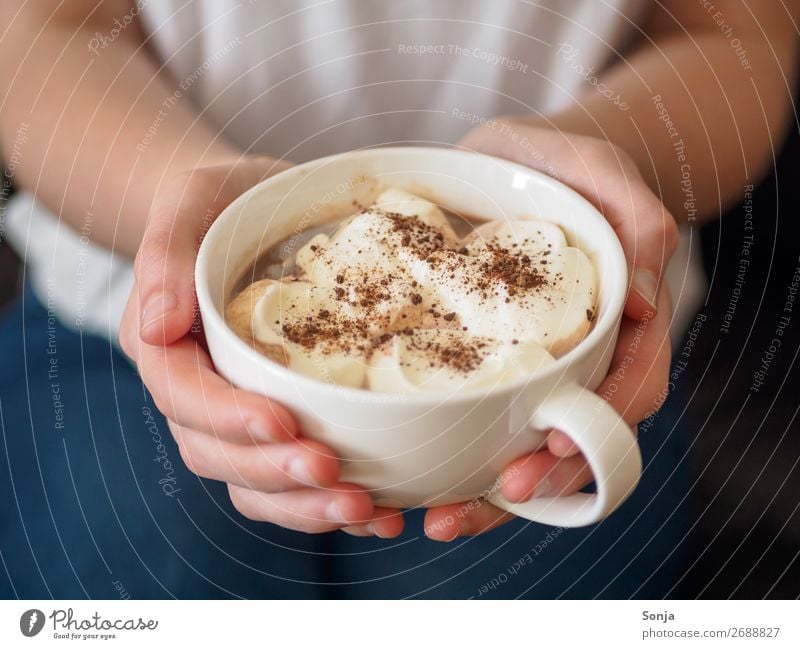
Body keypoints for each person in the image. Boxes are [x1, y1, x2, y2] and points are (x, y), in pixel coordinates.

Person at [0, 0, 796, 598]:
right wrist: (179, 206)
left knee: (512, 596)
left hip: (577, 347)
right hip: (117, 292)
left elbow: (735, 32)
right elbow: (47, 32)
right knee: (139, 569)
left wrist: (596, 169)